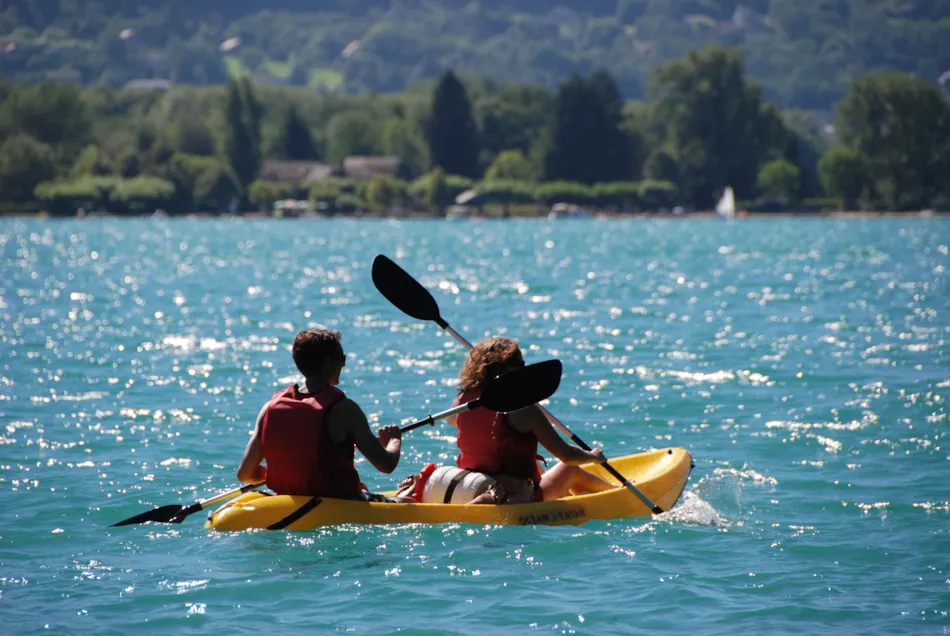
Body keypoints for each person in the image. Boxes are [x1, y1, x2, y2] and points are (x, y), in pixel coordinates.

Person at [400, 337, 616, 505]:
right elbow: (566, 455)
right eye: (519, 365)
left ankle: (581, 501)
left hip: (473, 486)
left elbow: (453, 422)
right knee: (571, 470)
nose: (524, 370)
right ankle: (618, 495)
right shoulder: (524, 409)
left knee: (538, 470)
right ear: (503, 371)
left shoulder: (463, 400)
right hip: (515, 496)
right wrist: (593, 456)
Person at [237, 329, 414, 503]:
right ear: (329, 363)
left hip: (287, 501)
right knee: (410, 501)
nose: (343, 365)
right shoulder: (345, 409)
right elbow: (386, 465)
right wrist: (393, 441)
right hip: (339, 502)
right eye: (342, 359)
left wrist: (287, 473)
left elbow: (245, 474)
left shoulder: (269, 409)